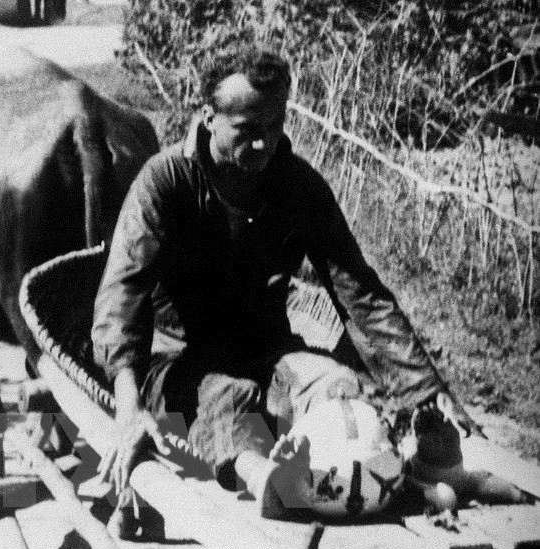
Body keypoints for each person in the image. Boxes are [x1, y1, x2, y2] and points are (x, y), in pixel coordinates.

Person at [92, 45, 475, 517]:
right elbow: (122, 293)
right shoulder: (165, 181)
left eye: (276, 126)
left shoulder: (298, 185)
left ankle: (396, 476)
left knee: (335, 384)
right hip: (175, 361)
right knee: (230, 397)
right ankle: (265, 482)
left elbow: (361, 293)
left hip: (265, 351)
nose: (265, 144)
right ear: (209, 117)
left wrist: (425, 389)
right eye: (248, 130)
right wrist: (128, 405)